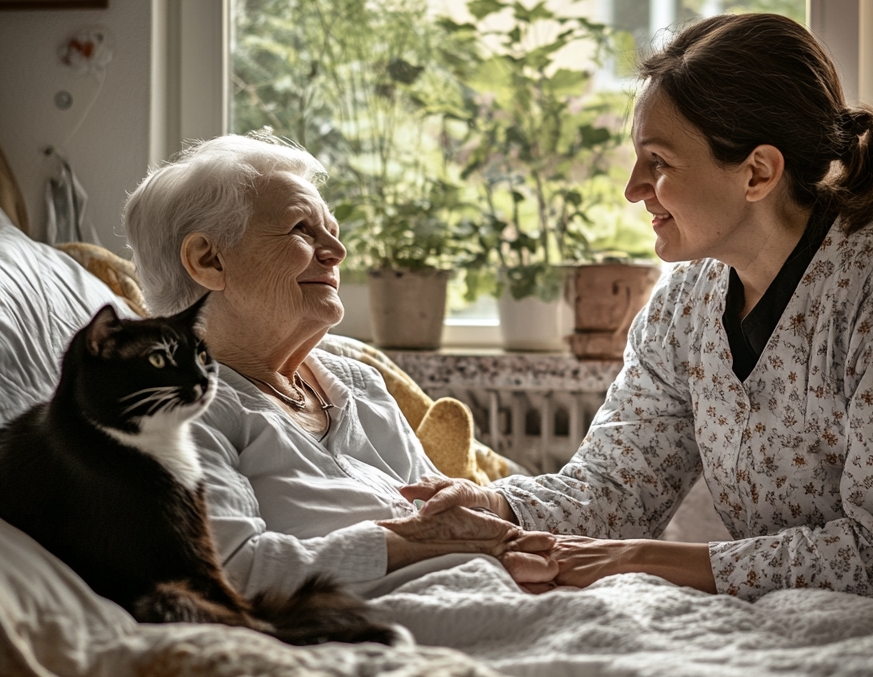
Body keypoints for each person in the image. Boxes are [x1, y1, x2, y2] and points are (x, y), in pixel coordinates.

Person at [407, 13, 873, 621]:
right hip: (806, 621)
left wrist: (644, 560)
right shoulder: (683, 306)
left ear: (757, 172)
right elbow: (615, 490)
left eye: (658, 162)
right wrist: (491, 506)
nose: (632, 187)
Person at [123, 134, 554, 599]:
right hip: (378, 626)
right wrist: (417, 543)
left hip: (482, 591)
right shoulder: (175, 412)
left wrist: (509, 545)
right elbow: (229, 572)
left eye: (332, 230)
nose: (336, 251)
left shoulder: (358, 384)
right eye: (302, 231)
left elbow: (441, 512)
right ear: (209, 260)